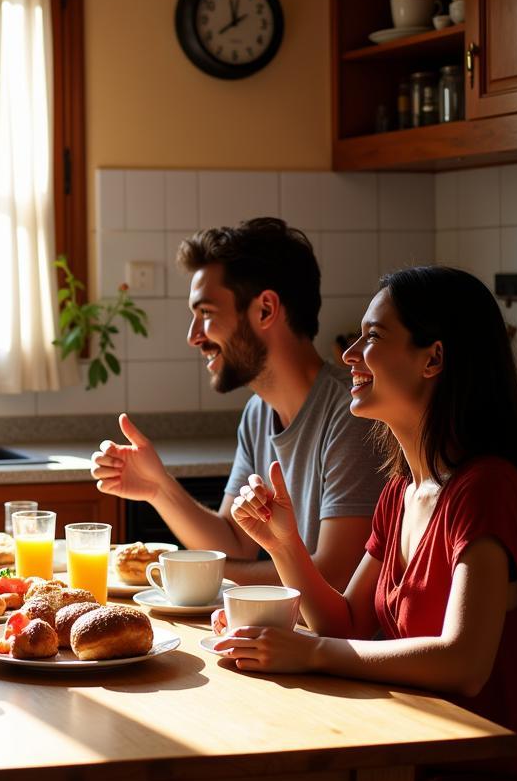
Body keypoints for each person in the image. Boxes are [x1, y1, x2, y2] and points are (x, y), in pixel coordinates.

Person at [210, 265, 517, 781]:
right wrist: (285, 544)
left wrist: (312, 651)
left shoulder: (486, 488)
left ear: (433, 358)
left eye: (372, 336)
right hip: (400, 771)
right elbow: (348, 621)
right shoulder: (401, 492)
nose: (349, 354)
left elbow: (465, 662)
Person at [91, 217, 383, 591]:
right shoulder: (258, 413)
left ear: (265, 310)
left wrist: (195, 576)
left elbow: (333, 576)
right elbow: (236, 541)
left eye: (207, 314)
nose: (193, 336)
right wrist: (158, 488)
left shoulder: (351, 413)